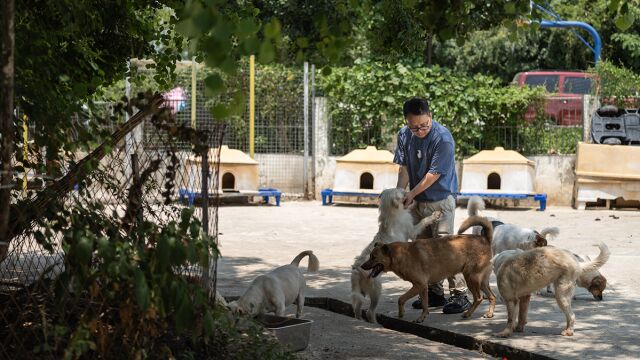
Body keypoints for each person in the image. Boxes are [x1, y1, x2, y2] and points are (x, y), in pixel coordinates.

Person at [393, 97, 471, 314]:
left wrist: (411, 193)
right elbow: (404, 168)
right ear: (406, 121)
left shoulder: (442, 138)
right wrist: (400, 194)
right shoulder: (404, 135)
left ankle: (460, 295)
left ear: (431, 116)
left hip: (440, 201)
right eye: (414, 127)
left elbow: (433, 175)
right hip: (417, 202)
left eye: (423, 125)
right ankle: (434, 293)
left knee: (446, 248)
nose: (419, 131)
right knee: (422, 249)